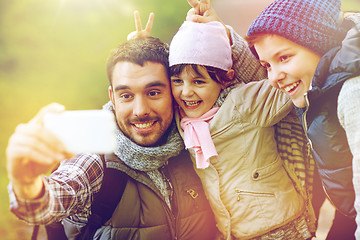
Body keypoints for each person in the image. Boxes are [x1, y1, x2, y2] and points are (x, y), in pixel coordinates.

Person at [6, 14, 218, 240]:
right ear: (112, 97)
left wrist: (219, 32)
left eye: (153, 92)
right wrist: (26, 183)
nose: (140, 110)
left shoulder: (195, 135)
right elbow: (53, 199)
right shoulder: (95, 159)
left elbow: (252, 90)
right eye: (126, 95)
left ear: (174, 91)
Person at [167, 10, 315, 240]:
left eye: (198, 81)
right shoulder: (180, 119)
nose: (186, 92)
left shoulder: (243, 102)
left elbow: (286, 81)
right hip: (232, 233)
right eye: (177, 81)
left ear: (226, 78)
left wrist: (225, 35)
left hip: (281, 228)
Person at [245, 0, 360, 239]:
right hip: (347, 210)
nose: (274, 77)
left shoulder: (352, 93)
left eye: (284, 58)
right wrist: (214, 29)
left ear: (320, 44)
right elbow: (246, 74)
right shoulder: (314, 86)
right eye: (267, 65)